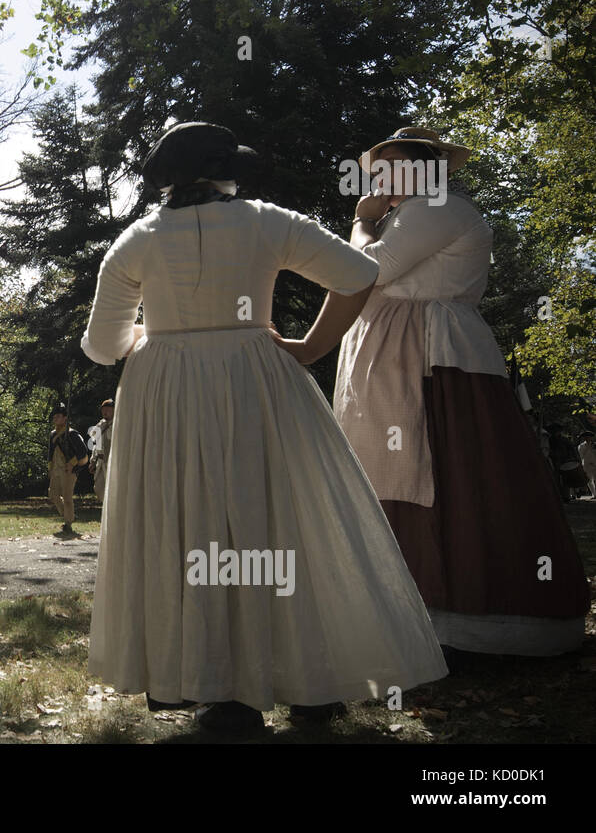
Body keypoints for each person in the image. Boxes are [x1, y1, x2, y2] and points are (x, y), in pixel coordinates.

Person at [82, 121, 446, 735]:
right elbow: (358, 274)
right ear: (227, 173)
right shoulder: (267, 220)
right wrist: (309, 347)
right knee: (283, 520)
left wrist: (154, 333)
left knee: (188, 525)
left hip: (165, 391)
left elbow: (101, 346)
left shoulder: (136, 241)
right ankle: (309, 685)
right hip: (259, 378)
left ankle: (215, 689)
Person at [335, 127, 590, 658]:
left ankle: (467, 620)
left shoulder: (437, 206)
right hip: (397, 351)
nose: (382, 177)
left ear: (429, 168)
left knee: (448, 469)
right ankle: (410, 613)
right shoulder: (407, 215)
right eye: (378, 169)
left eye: (396, 165)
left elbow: (368, 269)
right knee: (399, 471)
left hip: (430, 355)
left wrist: (360, 221)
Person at [47, 404, 88, 536]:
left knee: (67, 497)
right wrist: (50, 467)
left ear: (65, 418)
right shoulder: (53, 434)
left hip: (68, 469)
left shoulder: (72, 434)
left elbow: (82, 451)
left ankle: (68, 523)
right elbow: (50, 453)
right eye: (55, 416)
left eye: (58, 416)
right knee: (53, 494)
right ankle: (69, 515)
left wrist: (72, 464)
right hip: (56, 469)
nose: (56, 419)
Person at [88, 399, 114, 505]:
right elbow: (96, 445)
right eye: (103, 410)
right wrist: (93, 460)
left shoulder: (120, 424)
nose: (105, 412)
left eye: (108, 409)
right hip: (101, 463)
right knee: (98, 489)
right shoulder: (100, 425)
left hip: (114, 463)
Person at [578, 431, 596, 499]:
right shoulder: (581, 446)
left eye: (589, 436)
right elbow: (581, 456)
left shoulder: (595, 445)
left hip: (595, 463)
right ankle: (594, 494)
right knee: (589, 480)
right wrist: (588, 447)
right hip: (586, 464)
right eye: (586, 436)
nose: (588, 438)